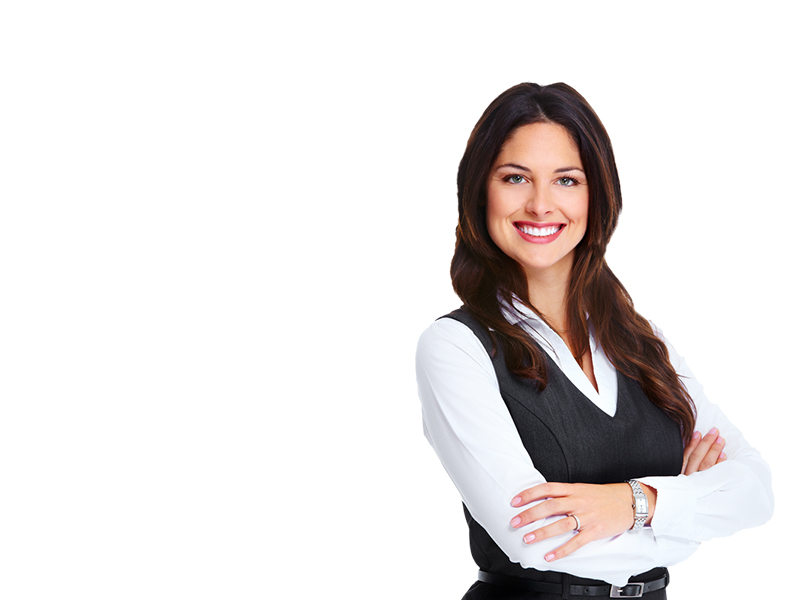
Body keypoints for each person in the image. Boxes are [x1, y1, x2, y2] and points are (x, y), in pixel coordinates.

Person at [415, 82, 774, 599]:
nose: (541, 204)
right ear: (479, 191)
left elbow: (755, 491)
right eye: (515, 177)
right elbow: (535, 540)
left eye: (566, 180)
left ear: (596, 195)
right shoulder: (456, 347)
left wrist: (633, 504)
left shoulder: (641, 342)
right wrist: (688, 515)